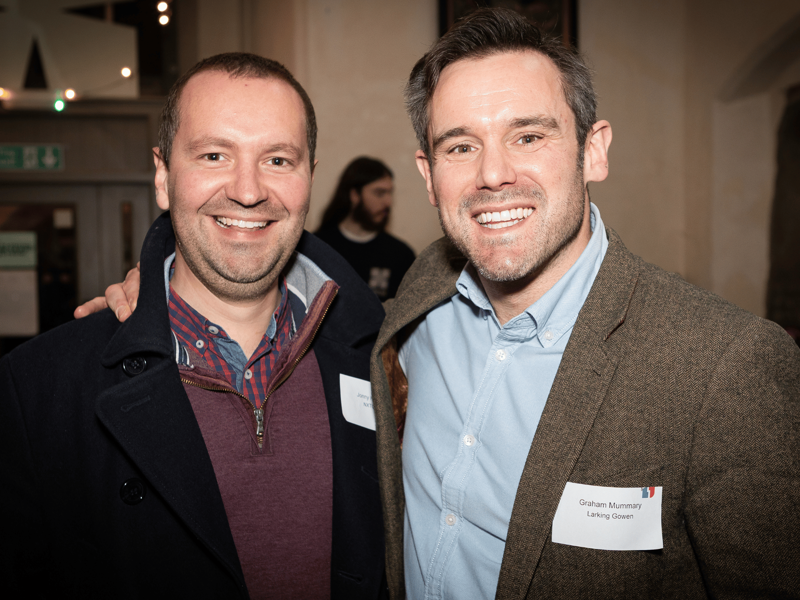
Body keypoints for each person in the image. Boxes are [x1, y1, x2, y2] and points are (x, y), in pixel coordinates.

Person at [368, 8, 800, 600]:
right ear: (428, 174)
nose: (492, 174)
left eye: (528, 136)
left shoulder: (726, 367)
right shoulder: (423, 293)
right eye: (461, 146)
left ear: (593, 150)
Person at [0, 53, 388, 599]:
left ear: (310, 179)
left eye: (278, 160)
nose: (248, 191)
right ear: (163, 176)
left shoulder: (388, 361)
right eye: (213, 155)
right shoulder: (36, 390)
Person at [316, 157, 416, 300]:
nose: (388, 202)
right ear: (354, 195)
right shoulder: (318, 248)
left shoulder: (401, 255)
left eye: (390, 193)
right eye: (379, 193)